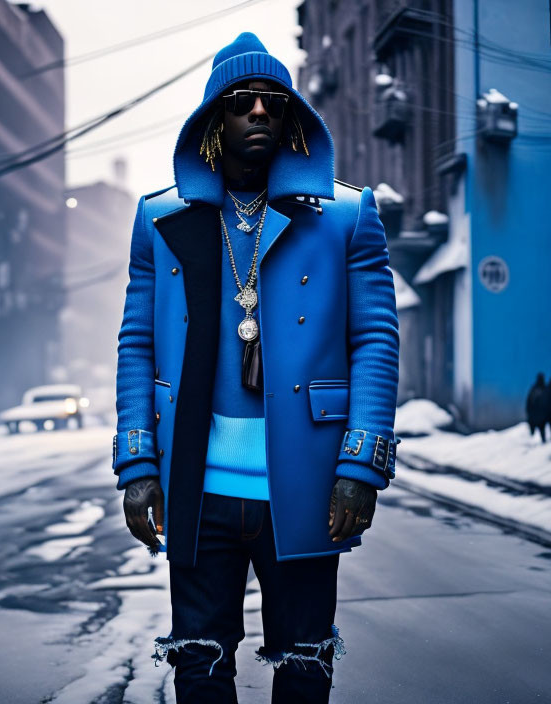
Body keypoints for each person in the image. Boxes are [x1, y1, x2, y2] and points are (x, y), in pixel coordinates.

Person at [112, 32, 399, 704]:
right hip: (197, 487)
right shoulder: (161, 219)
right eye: (242, 101)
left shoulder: (347, 216)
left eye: (274, 100)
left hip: (304, 485)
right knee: (199, 666)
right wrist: (137, 465)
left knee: (305, 665)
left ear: (293, 114)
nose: (260, 112)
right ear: (215, 119)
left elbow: (377, 341)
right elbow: (135, 344)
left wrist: (361, 466)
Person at [526, 372, 551, 442]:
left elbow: (529, 404)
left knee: (542, 426)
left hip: (540, 415)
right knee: (550, 422)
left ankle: (545, 440)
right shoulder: (546, 389)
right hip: (545, 414)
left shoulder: (534, 390)